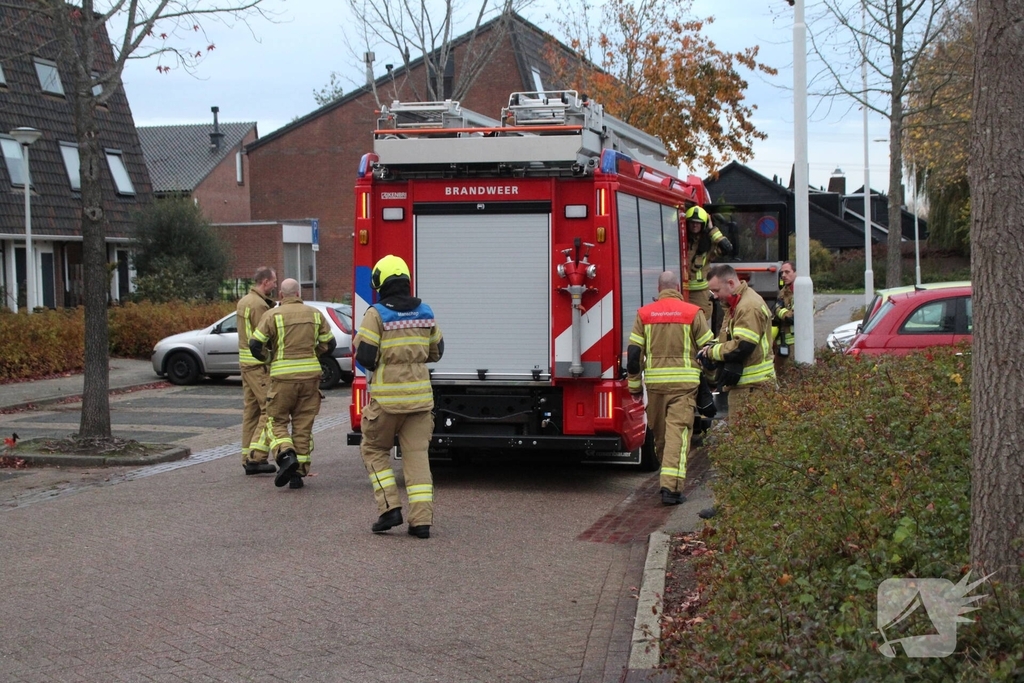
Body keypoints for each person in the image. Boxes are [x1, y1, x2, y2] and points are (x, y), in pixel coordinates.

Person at [355, 255, 444, 539]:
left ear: (381, 283)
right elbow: (437, 352)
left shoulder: (376, 314)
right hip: (420, 402)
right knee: (417, 457)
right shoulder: (426, 311)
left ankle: (389, 508)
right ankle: (421, 523)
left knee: (374, 450)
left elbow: (366, 357)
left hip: (387, 402)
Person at [627, 271, 715, 506]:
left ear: (659, 289)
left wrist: (635, 386)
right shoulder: (692, 313)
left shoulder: (644, 314)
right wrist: (710, 380)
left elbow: (634, 355)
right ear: (677, 287)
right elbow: (708, 350)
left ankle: (667, 483)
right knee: (678, 434)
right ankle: (671, 488)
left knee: (662, 437)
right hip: (684, 387)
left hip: (656, 386)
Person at [249, 278, 335, 489]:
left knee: (274, 421)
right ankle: (297, 475)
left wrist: (268, 358)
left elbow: (254, 344)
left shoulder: (272, 315)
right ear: (298, 294)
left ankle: (286, 455)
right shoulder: (315, 314)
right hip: (310, 379)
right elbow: (330, 343)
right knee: (303, 426)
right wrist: (314, 354)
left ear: (281, 295)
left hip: (282, 380)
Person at [698, 264, 776, 418]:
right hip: (748, 387)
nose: (714, 295)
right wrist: (712, 345)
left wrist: (711, 352)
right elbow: (731, 337)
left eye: (716, 290)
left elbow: (742, 346)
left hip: (752, 389)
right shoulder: (736, 304)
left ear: (731, 284)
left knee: (745, 438)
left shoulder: (747, 306)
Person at [236, 266, 277, 475]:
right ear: (265, 282)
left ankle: (246, 456)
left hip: (246, 364)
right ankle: (256, 457)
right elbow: (264, 336)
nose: (276, 285)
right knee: (269, 409)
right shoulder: (259, 305)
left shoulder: (244, 301)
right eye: (274, 281)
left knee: (251, 411)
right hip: (258, 365)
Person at [682, 206, 733, 322]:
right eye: (692, 222)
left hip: (698, 294)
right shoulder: (681, 240)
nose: (695, 225)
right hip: (679, 291)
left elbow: (727, 248)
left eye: (698, 223)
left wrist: (712, 229)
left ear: (703, 224)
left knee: (699, 322)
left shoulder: (707, 244)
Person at [773, 262, 796, 359]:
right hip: (781, 341)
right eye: (782, 273)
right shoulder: (782, 292)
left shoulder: (802, 291)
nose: (783, 275)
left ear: (796, 272)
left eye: (787, 272)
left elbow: (793, 318)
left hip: (796, 343)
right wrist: (782, 312)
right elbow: (776, 309)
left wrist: (780, 312)